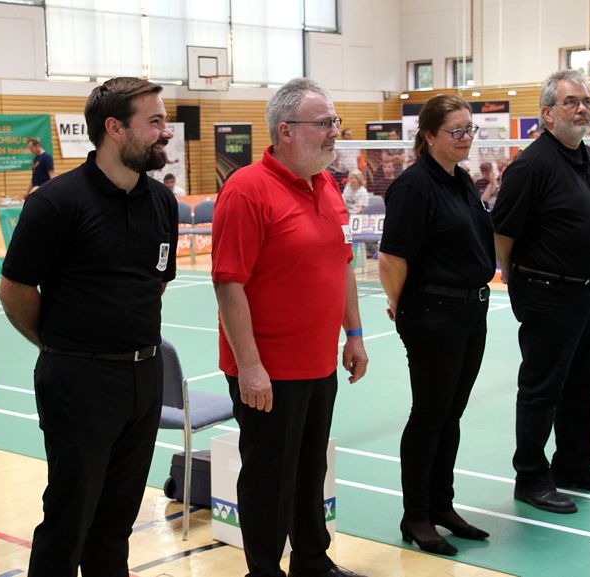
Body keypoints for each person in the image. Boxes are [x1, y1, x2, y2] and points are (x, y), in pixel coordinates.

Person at [0, 76, 178, 577]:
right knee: (69, 521)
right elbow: (15, 291)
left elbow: (154, 283)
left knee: (116, 521)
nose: (166, 131)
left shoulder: (161, 203)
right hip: (79, 382)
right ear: (115, 128)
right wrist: (64, 346)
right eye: (156, 121)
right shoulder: (56, 203)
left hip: (144, 378)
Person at [212, 78, 369, 577]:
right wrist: (251, 367)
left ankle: (311, 560)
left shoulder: (327, 185)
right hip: (268, 373)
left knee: (309, 469)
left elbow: (342, 263)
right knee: (268, 477)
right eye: (324, 124)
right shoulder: (246, 191)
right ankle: (263, 570)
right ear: (285, 130)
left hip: (319, 363)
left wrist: (356, 335)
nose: (333, 133)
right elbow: (229, 284)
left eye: (334, 123)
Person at [492, 69, 590, 515]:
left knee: (586, 381)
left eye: (585, 100)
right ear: (547, 114)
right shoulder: (531, 165)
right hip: (549, 293)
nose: (581, 108)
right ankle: (530, 476)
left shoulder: (588, 158)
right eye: (571, 102)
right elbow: (502, 233)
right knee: (542, 388)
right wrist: (521, 284)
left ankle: (574, 466)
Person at [378, 95, 494, 557]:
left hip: (470, 312)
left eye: (470, 130)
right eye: (457, 131)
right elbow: (392, 258)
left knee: (451, 414)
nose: (466, 138)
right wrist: (400, 303)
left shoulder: (460, 181)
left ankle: (441, 505)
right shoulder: (413, 187)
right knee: (429, 416)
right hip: (433, 314)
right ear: (429, 136)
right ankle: (417, 516)